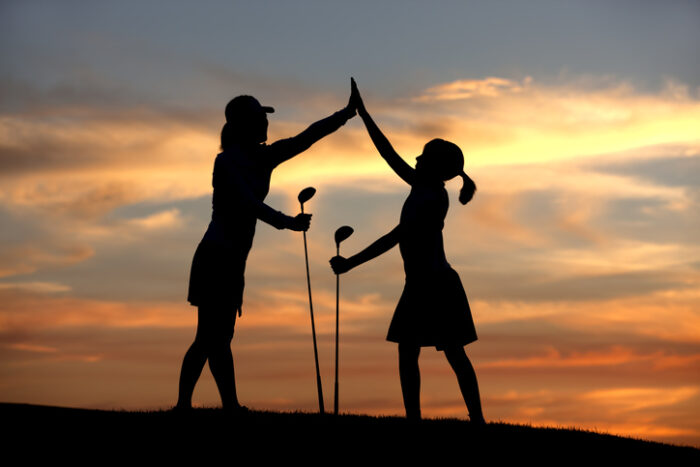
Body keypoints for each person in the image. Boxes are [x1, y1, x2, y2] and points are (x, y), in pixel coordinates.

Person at [176, 86, 356, 412]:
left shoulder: (264, 157)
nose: (266, 123)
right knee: (210, 337)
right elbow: (249, 203)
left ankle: (219, 405)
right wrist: (287, 222)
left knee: (218, 337)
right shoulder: (226, 162)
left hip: (233, 260)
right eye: (260, 118)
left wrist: (345, 114)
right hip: (215, 256)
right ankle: (197, 405)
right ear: (244, 125)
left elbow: (306, 138)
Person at [330, 79, 485, 423]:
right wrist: (363, 114)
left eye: (423, 156)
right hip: (422, 283)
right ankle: (419, 418)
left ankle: (473, 419)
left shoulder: (432, 197)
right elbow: (387, 153)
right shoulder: (422, 185)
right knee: (413, 351)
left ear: (434, 167)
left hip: (435, 285)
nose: (415, 158)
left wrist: (351, 263)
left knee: (449, 353)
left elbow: (395, 237)